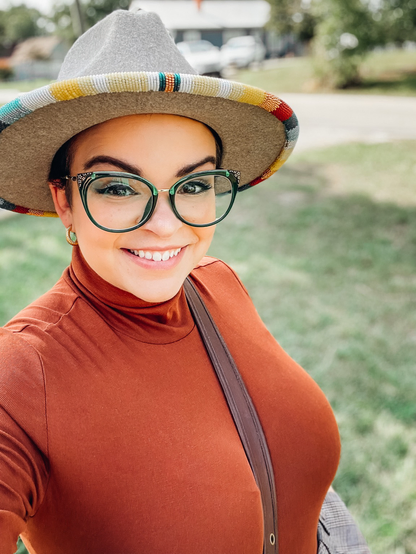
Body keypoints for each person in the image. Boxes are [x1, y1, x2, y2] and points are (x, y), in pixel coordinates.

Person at [0, 9, 341, 554]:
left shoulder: (217, 282)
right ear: (64, 200)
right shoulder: (21, 370)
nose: (166, 224)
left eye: (195, 183)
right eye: (117, 187)